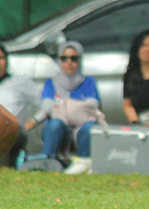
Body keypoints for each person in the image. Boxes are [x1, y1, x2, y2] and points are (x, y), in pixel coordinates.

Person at [25, 41, 101, 173]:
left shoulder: (88, 82)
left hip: (81, 127)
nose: (69, 62)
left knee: (89, 128)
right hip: (59, 127)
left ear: (80, 60)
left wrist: (61, 105)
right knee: (55, 124)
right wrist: (74, 108)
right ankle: (49, 163)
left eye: (74, 58)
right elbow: (46, 106)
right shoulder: (51, 83)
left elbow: (92, 105)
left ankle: (84, 164)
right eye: (64, 58)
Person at [0, 43, 42, 166]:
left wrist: (34, 120)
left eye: (1, 58)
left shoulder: (19, 82)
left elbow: (46, 102)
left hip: (14, 132)